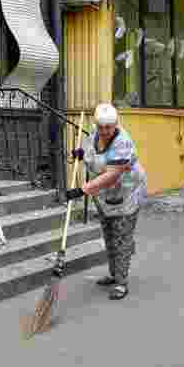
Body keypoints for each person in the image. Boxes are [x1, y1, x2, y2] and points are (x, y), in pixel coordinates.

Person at [67, 103, 147, 300]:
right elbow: (91, 152)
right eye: (101, 126)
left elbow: (111, 176)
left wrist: (82, 190)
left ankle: (121, 282)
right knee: (109, 234)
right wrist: (81, 154)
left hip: (127, 194)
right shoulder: (95, 133)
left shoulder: (123, 142)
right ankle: (114, 274)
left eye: (108, 127)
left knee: (122, 236)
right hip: (105, 196)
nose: (104, 131)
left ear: (116, 124)